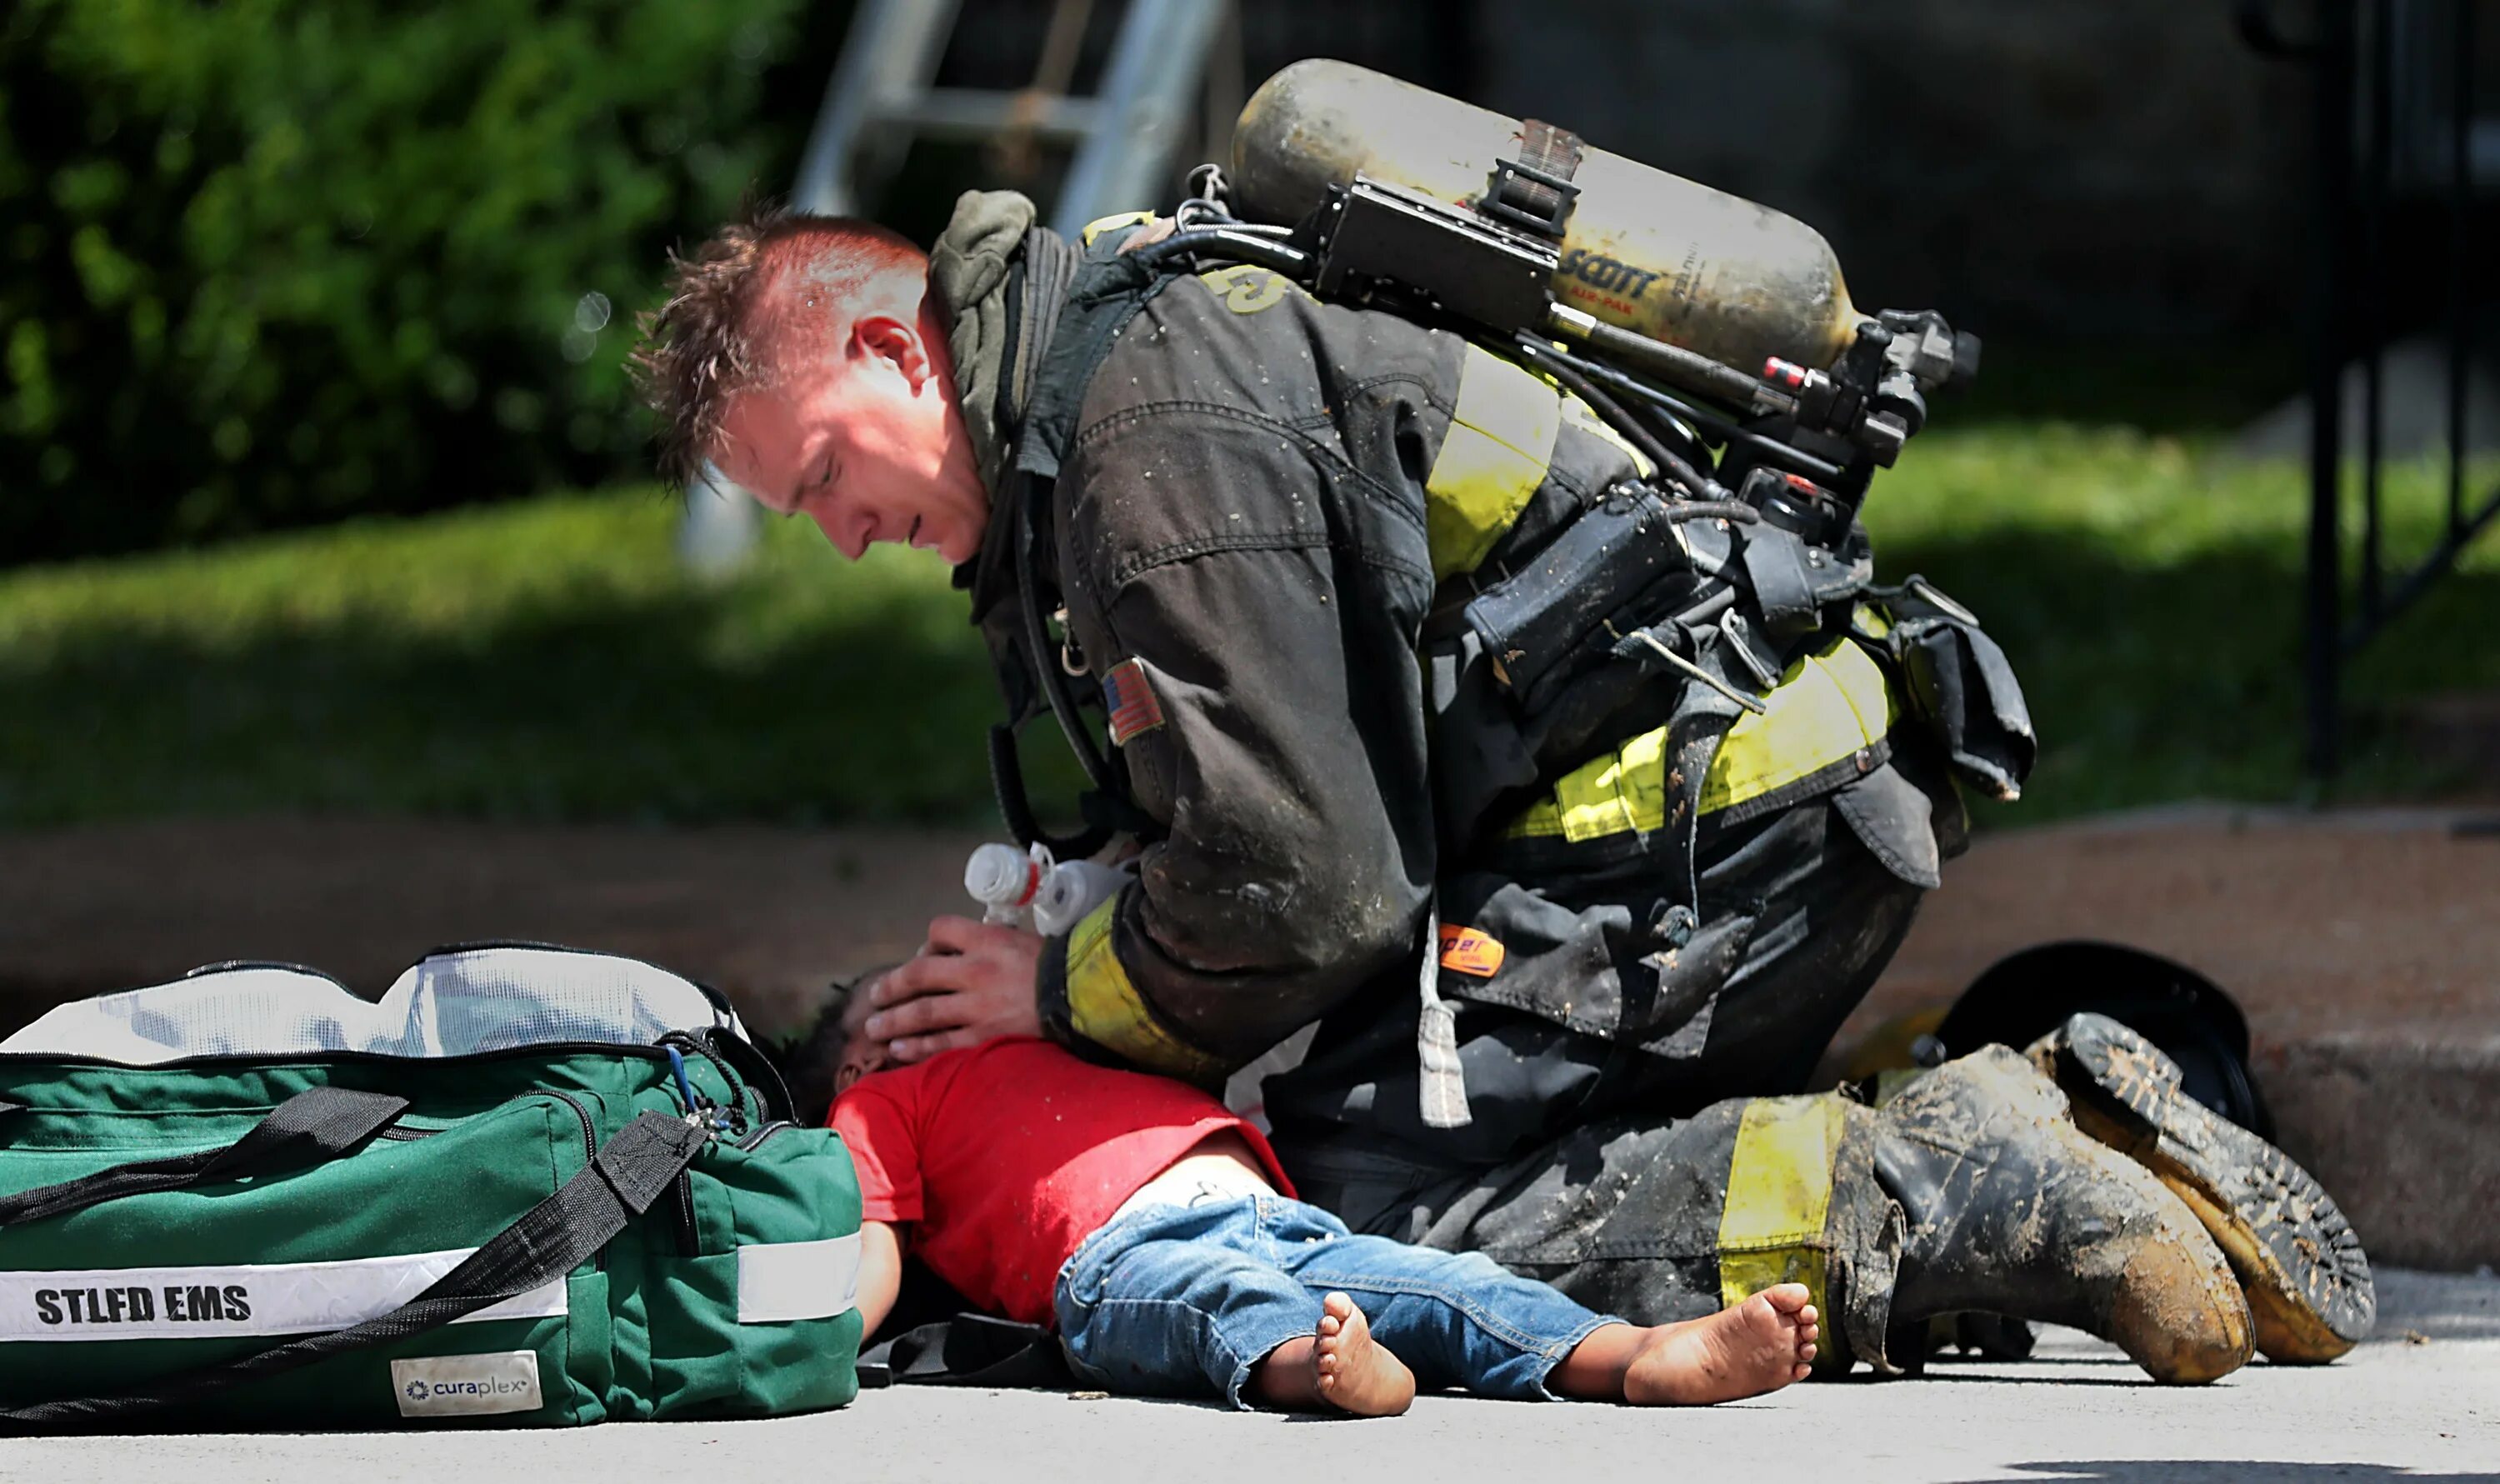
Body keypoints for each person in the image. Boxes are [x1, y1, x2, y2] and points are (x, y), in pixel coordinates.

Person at [632, 191, 2373, 1381]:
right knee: (1375, 1115)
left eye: (828, 479)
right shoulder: (1113, 385)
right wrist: (1091, 922)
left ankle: (1955, 1173)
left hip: (1696, 839)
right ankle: (2015, 1105)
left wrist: (1054, 985)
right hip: (1739, 815)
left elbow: (1303, 884)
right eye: (806, 517)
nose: (844, 534)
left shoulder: (1145, 432)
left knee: (1372, 1203)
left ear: (892, 350)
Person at [804, 972, 1820, 1413]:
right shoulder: (883, 1102)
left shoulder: (1047, 1031)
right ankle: (1324, 1372)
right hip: (1114, 1252)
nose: (921, 1007)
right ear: (855, 1067)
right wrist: (807, 1343)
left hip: (1267, 1209)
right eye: (885, 1011)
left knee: (1445, 1282)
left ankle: (1636, 1353)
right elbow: (875, 1246)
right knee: (1216, 1306)